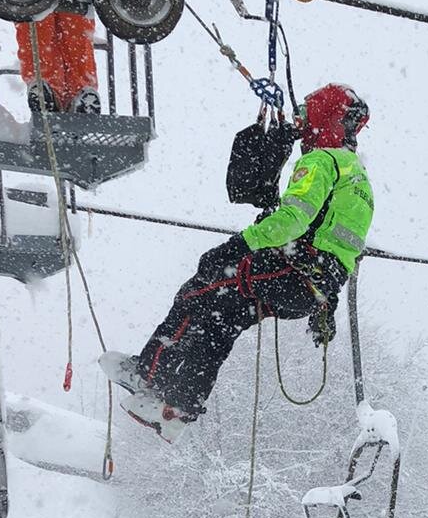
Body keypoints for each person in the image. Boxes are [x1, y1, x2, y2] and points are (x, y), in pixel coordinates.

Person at [103, 84, 374, 440]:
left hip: (291, 270)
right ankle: (177, 408)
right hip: (309, 287)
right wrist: (325, 302)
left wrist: (237, 246)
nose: (299, 122)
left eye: (306, 114)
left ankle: (148, 374)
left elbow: (294, 220)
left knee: (199, 289)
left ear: (324, 117)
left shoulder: (322, 162)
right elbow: (341, 249)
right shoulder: (360, 181)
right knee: (222, 316)